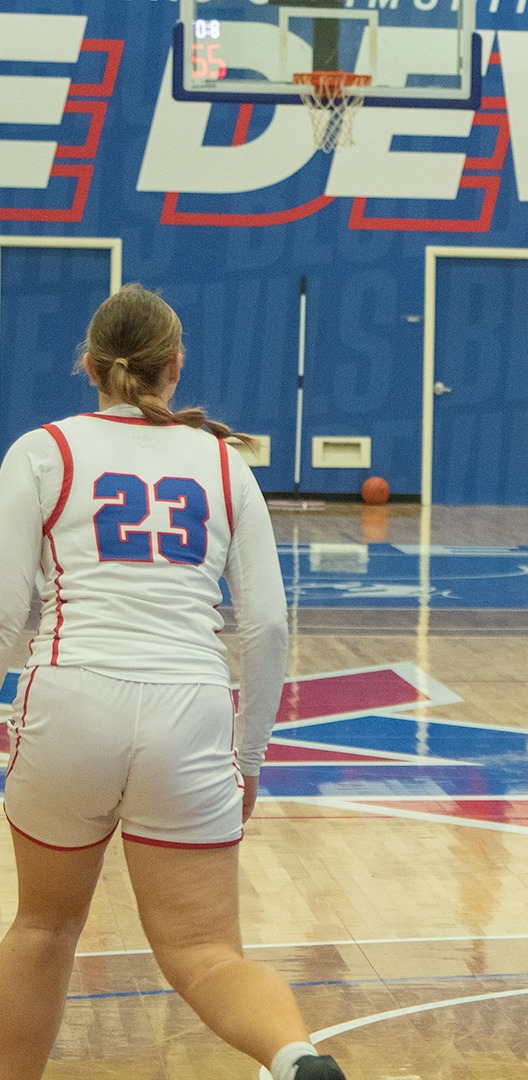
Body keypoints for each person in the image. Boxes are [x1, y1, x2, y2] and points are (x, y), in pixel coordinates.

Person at [0, 286, 345, 1080]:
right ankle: (295, 1058)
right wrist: (249, 758)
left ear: (86, 364)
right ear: (175, 367)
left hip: (69, 694)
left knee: (44, 929)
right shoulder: (226, 462)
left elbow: (5, 603)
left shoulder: (41, 449)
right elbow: (266, 627)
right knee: (206, 952)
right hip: (188, 710)